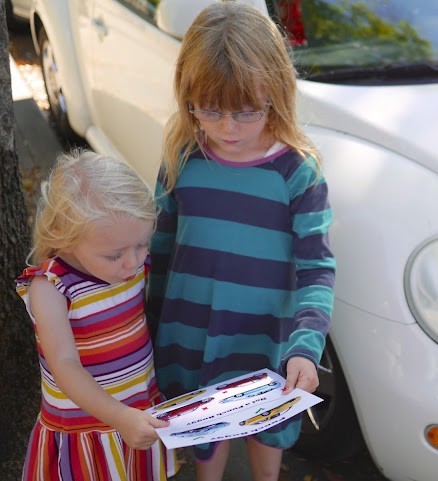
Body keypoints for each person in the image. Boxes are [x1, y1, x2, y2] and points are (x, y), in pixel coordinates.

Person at [146, 2, 336, 481]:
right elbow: (159, 254)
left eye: (245, 111)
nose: (227, 127)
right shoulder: (181, 159)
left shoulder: (297, 172)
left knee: (266, 442)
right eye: (209, 109)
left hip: (268, 342)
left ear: (276, 93)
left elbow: (317, 270)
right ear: (187, 95)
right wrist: (146, 328)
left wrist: (305, 347)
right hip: (190, 337)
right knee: (205, 444)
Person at [15, 149, 177, 481]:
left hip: (136, 413)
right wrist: (119, 417)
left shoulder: (127, 266)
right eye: (115, 254)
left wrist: (129, 418)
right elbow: (65, 365)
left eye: (142, 245)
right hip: (85, 430)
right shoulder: (51, 288)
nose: (133, 263)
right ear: (67, 237)